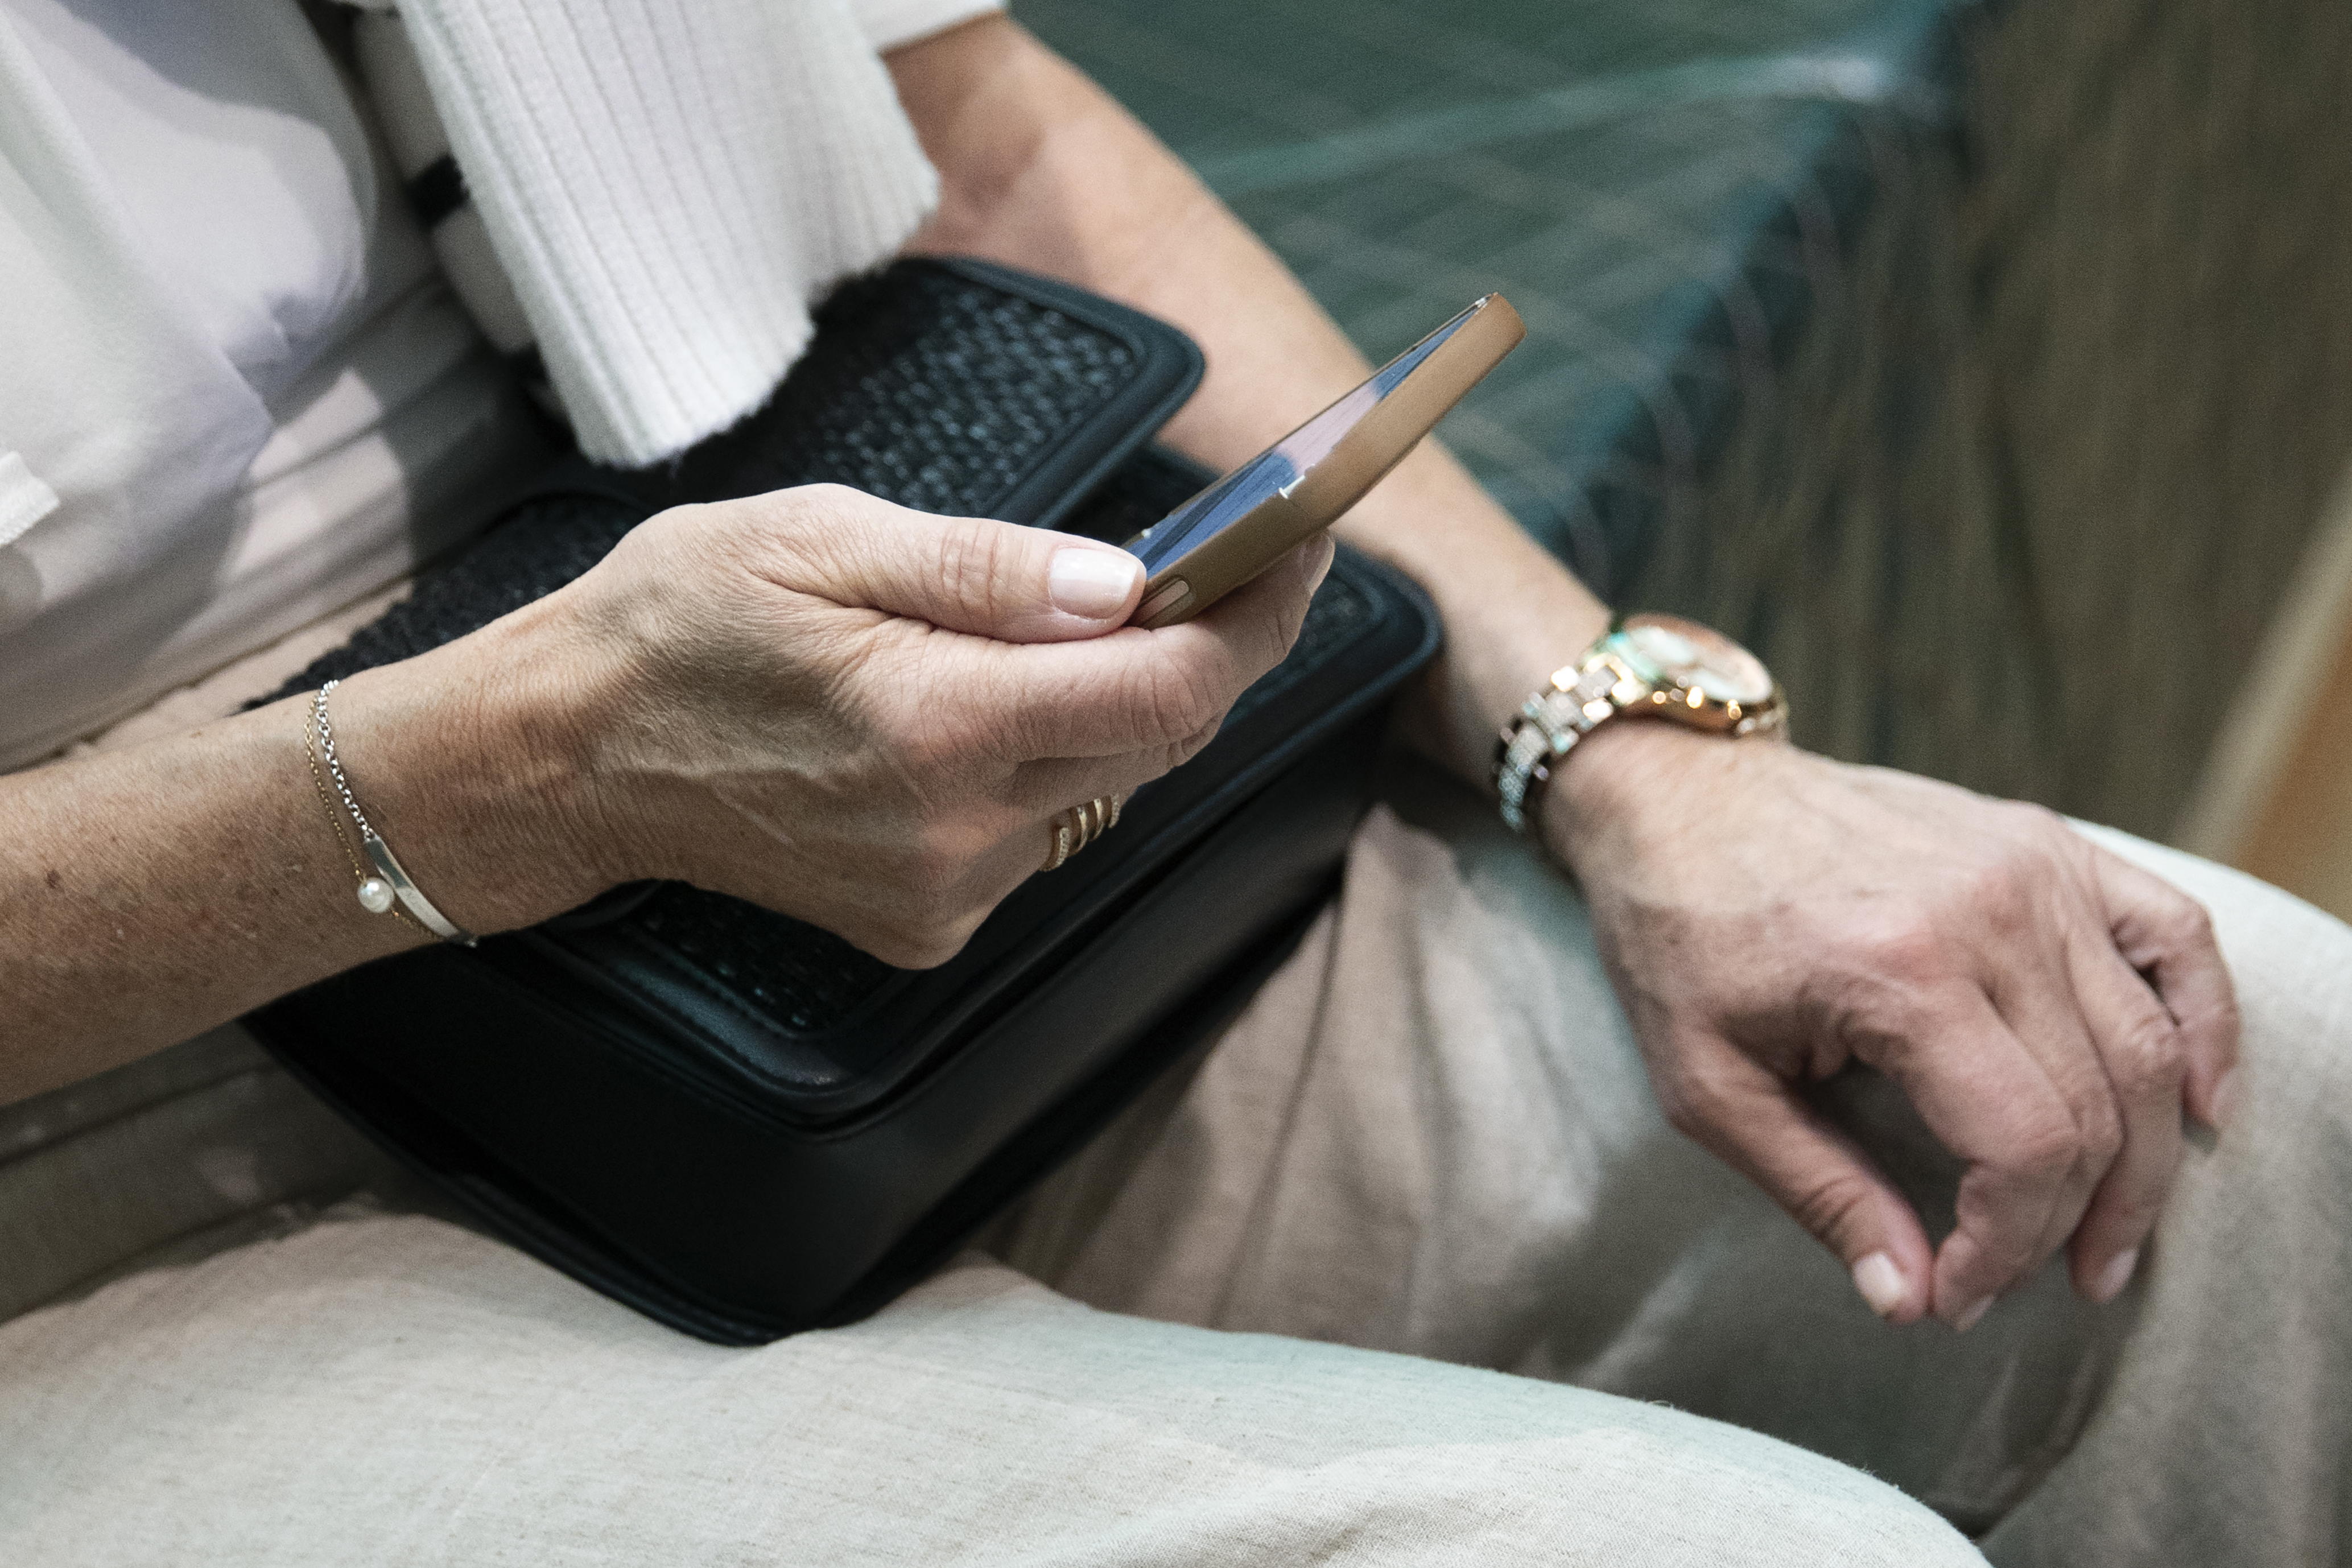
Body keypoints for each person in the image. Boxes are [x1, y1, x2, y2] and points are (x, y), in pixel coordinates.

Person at [0, 1, 2343, 1562]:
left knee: (2257, 1091)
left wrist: (1620, 744)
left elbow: (968, 125)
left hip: (806, 760)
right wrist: (536, 765)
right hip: (106, 1165)